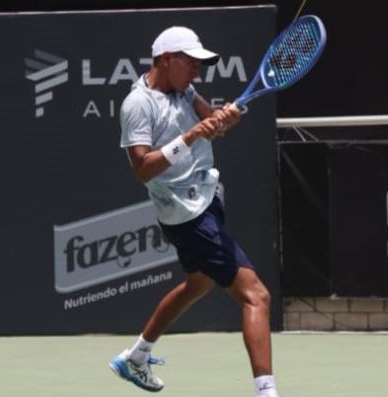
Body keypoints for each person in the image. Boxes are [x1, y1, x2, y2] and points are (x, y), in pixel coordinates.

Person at [108, 26, 281, 397]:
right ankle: (267, 393)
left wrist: (223, 119)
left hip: (203, 199)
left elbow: (210, 122)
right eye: (192, 63)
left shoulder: (183, 89)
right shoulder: (137, 104)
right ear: (167, 60)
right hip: (188, 214)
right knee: (257, 296)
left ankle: (136, 356)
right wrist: (189, 137)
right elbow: (142, 169)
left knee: (198, 283)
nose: (198, 71)